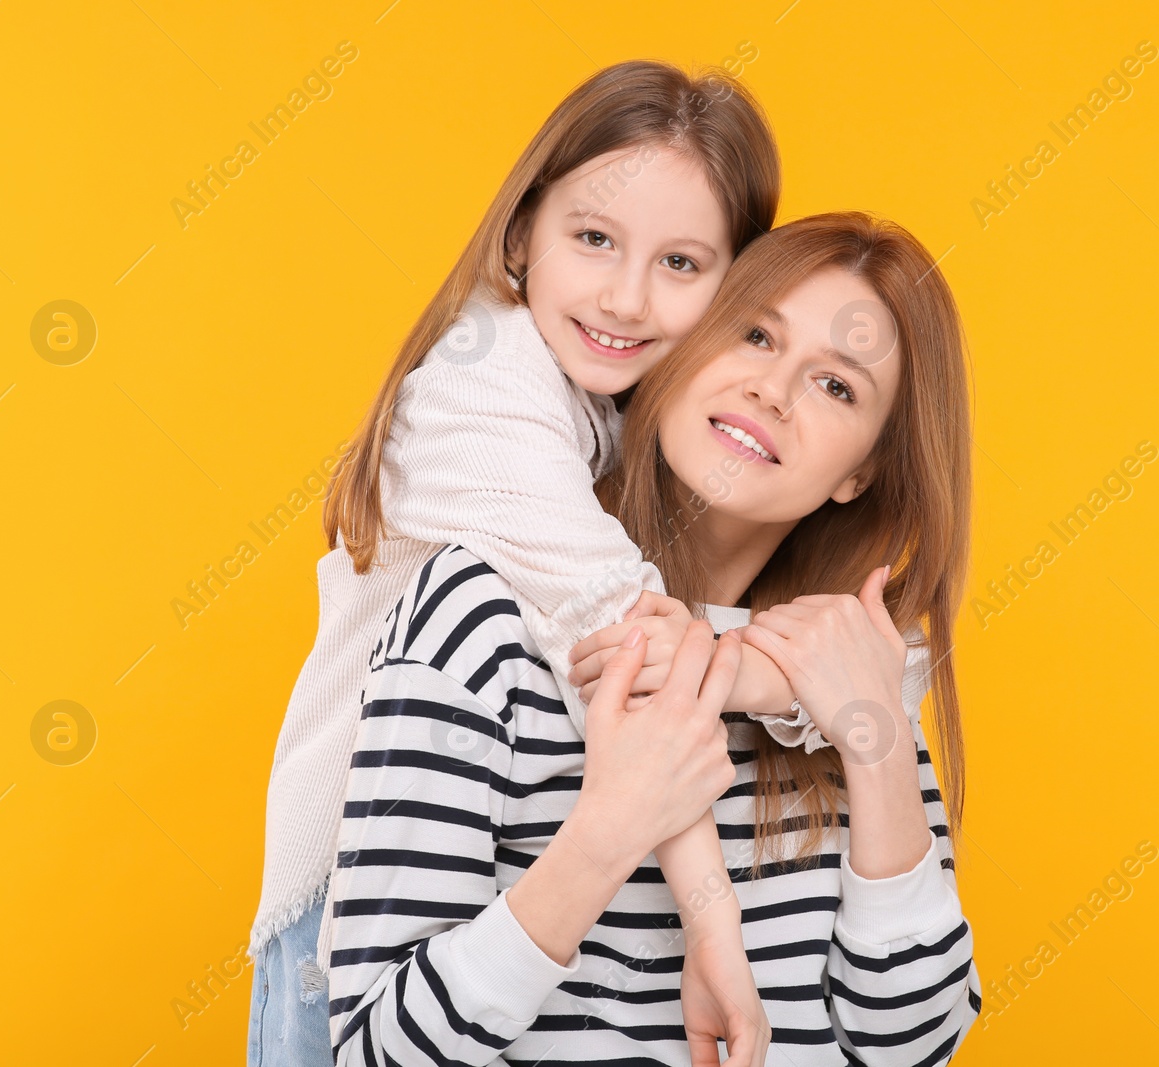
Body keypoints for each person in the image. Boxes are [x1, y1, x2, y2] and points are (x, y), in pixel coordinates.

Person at [326, 213, 982, 1066]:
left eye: (837, 387)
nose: (772, 391)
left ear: (863, 472)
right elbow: (381, 1051)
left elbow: (907, 1046)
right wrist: (607, 832)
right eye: (754, 335)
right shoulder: (480, 615)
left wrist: (882, 746)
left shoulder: (848, 671)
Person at [248, 59, 801, 1065]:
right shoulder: (483, 383)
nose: (626, 298)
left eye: (682, 263)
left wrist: (813, 684)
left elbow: (874, 668)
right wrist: (713, 930)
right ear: (521, 238)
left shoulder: (628, 418)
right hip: (349, 897)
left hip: (480, 884)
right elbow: (635, 644)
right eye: (593, 239)